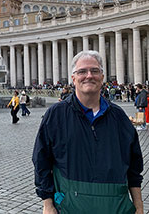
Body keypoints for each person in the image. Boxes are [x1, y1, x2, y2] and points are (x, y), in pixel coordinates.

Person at [32, 50, 143, 214]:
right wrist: (48, 204)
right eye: (82, 71)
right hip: (70, 208)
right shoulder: (55, 115)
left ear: (102, 77)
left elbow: (134, 167)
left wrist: (139, 207)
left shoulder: (119, 117)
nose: (89, 75)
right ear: (73, 79)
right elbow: (41, 161)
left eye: (95, 71)